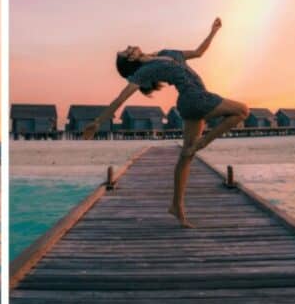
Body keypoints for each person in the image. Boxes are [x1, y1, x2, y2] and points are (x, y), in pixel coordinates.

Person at [82, 17, 249, 228]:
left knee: (186, 157)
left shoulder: (166, 53)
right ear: (131, 59)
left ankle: (176, 206)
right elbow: (121, 98)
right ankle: (202, 144)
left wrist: (213, 31)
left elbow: (198, 52)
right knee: (243, 110)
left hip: (190, 103)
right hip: (195, 99)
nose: (130, 46)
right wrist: (98, 122)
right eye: (126, 50)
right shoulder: (144, 72)